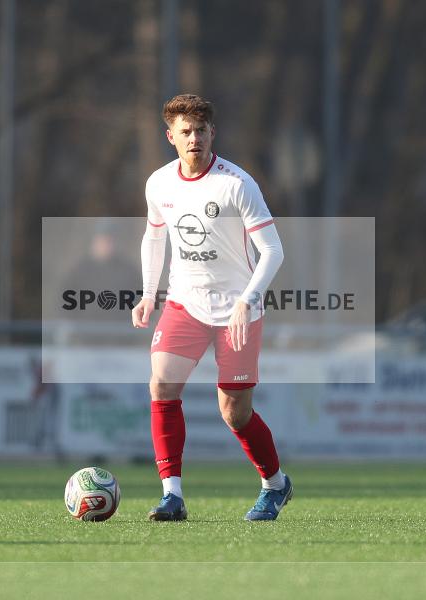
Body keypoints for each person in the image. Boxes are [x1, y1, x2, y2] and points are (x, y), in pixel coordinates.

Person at [132, 94, 289, 521]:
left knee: (234, 413)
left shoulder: (236, 184)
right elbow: (154, 237)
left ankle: (275, 484)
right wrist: (149, 294)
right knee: (162, 385)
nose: (194, 138)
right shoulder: (159, 184)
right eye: (185, 132)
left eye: (201, 130)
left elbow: (273, 251)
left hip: (238, 310)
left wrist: (247, 301)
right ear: (171, 137)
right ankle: (172, 496)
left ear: (212, 133)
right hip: (185, 303)